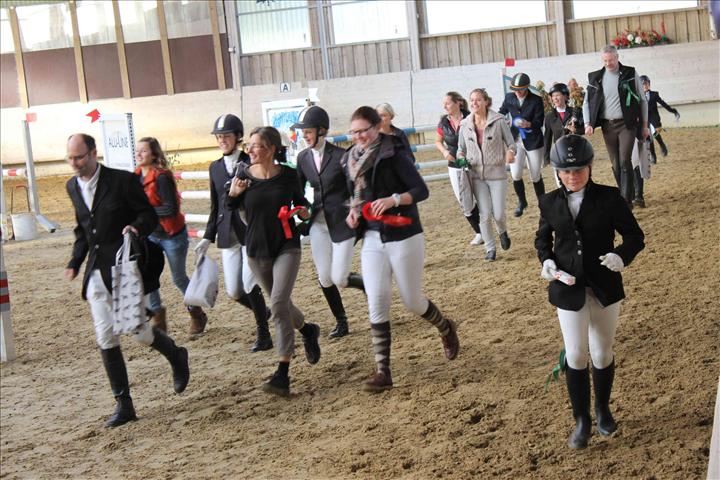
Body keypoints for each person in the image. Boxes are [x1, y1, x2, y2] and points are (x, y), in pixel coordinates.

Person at [65, 133, 190, 428]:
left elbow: (148, 216)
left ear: (93, 153)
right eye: (70, 158)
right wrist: (75, 261)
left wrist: (135, 227)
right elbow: (83, 230)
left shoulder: (122, 181)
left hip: (123, 267)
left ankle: (176, 355)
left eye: (79, 157)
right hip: (96, 273)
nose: (74, 163)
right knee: (105, 335)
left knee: (138, 332)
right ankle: (124, 404)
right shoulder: (72, 186)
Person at [535, 134, 644, 449]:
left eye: (579, 169)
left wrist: (621, 256)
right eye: (566, 171)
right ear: (557, 172)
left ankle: (603, 410)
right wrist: (547, 262)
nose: (573, 176)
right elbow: (542, 240)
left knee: (601, 352)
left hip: (604, 285)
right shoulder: (549, 202)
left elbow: (635, 236)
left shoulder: (609, 197)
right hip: (568, 288)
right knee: (576, 354)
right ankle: (581, 419)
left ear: (590, 167)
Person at [344, 106, 460, 392]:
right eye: (354, 132)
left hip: (404, 233)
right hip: (372, 237)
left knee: (412, 300)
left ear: (376, 127)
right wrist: (353, 212)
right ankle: (383, 371)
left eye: (363, 131)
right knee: (376, 299)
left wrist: (394, 199)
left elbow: (421, 190)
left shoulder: (393, 153)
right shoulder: (350, 159)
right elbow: (356, 196)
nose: (359, 137)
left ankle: (445, 327)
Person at [227, 126, 321, 397]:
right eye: (249, 145)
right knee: (283, 305)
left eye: (256, 145)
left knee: (278, 305)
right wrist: (233, 195)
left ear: (271, 149)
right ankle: (308, 330)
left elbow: (302, 204)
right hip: (256, 251)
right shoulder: (243, 176)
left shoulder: (288, 175)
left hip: (286, 246)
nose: (250, 150)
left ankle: (282, 373)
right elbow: (229, 208)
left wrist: (304, 212)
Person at [194, 114, 272, 350]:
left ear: (238, 136)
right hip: (227, 233)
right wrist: (207, 236)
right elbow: (215, 205)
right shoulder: (215, 168)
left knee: (249, 284)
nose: (222, 140)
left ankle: (264, 334)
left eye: (226, 136)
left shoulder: (252, 162)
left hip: (250, 232)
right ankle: (264, 312)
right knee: (234, 291)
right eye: (219, 136)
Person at [293, 106, 365, 339]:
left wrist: (355, 210)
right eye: (303, 131)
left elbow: (356, 188)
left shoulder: (342, 156)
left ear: (321, 130)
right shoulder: (303, 158)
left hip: (343, 222)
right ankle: (341, 321)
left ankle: (364, 284)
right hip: (318, 223)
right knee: (325, 277)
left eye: (308, 131)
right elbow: (297, 193)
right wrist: (302, 209)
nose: (304, 135)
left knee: (339, 277)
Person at [134, 137, 208, 333]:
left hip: (172, 235)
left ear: (154, 155)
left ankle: (196, 313)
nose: (139, 154)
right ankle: (158, 318)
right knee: (149, 277)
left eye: (143, 150)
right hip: (150, 235)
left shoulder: (162, 177)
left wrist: (145, 211)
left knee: (179, 278)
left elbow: (171, 209)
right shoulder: (135, 176)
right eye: (137, 150)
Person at [583, 44, 649, 207]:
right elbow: (587, 103)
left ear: (617, 57)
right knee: (615, 164)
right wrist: (587, 123)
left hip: (627, 124)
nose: (608, 63)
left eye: (611, 60)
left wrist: (644, 125)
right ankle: (625, 195)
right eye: (605, 60)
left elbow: (642, 100)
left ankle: (626, 201)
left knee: (625, 160)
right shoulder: (595, 77)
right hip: (607, 126)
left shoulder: (630, 73)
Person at [457, 88, 516, 262]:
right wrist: (461, 159)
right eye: (472, 100)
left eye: (478, 100)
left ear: (486, 102)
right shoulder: (465, 125)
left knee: (498, 214)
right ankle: (490, 248)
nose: (474, 103)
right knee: (484, 214)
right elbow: (460, 149)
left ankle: (502, 231)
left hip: (497, 175)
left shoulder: (499, 121)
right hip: (476, 176)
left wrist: (510, 153)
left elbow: (511, 144)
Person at [434, 91, 482, 245]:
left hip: (474, 162)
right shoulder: (443, 122)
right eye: (444, 104)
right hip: (454, 165)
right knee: (464, 201)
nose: (445, 106)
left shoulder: (471, 117)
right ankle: (479, 232)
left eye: (448, 103)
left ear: (458, 103)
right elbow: (438, 141)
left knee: (481, 198)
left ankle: (487, 229)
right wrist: (444, 152)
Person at [499, 72, 546, 217]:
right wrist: (502, 121)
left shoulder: (536, 100)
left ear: (527, 87)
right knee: (516, 174)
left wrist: (529, 124)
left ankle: (542, 203)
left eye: (520, 89)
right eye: (515, 90)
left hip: (533, 140)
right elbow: (502, 112)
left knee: (535, 175)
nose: (517, 92)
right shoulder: (509, 97)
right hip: (516, 140)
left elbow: (539, 121)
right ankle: (522, 201)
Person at [543, 83, 584, 167]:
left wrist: (576, 130)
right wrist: (547, 159)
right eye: (553, 96)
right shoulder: (549, 116)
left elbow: (584, 129)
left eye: (558, 95)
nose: (555, 98)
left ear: (565, 96)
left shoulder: (575, 112)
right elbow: (547, 138)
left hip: (576, 151)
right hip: (559, 152)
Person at [640, 75, 679, 162]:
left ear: (649, 84)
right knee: (648, 137)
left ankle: (662, 145)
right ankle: (653, 156)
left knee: (654, 132)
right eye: (643, 84)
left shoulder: (654, 94)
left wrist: (673, 111)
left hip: (654, 118)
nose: (645, 86)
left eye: (647, 84)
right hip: (645, 119)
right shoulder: (638, 96)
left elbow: (663, 104)